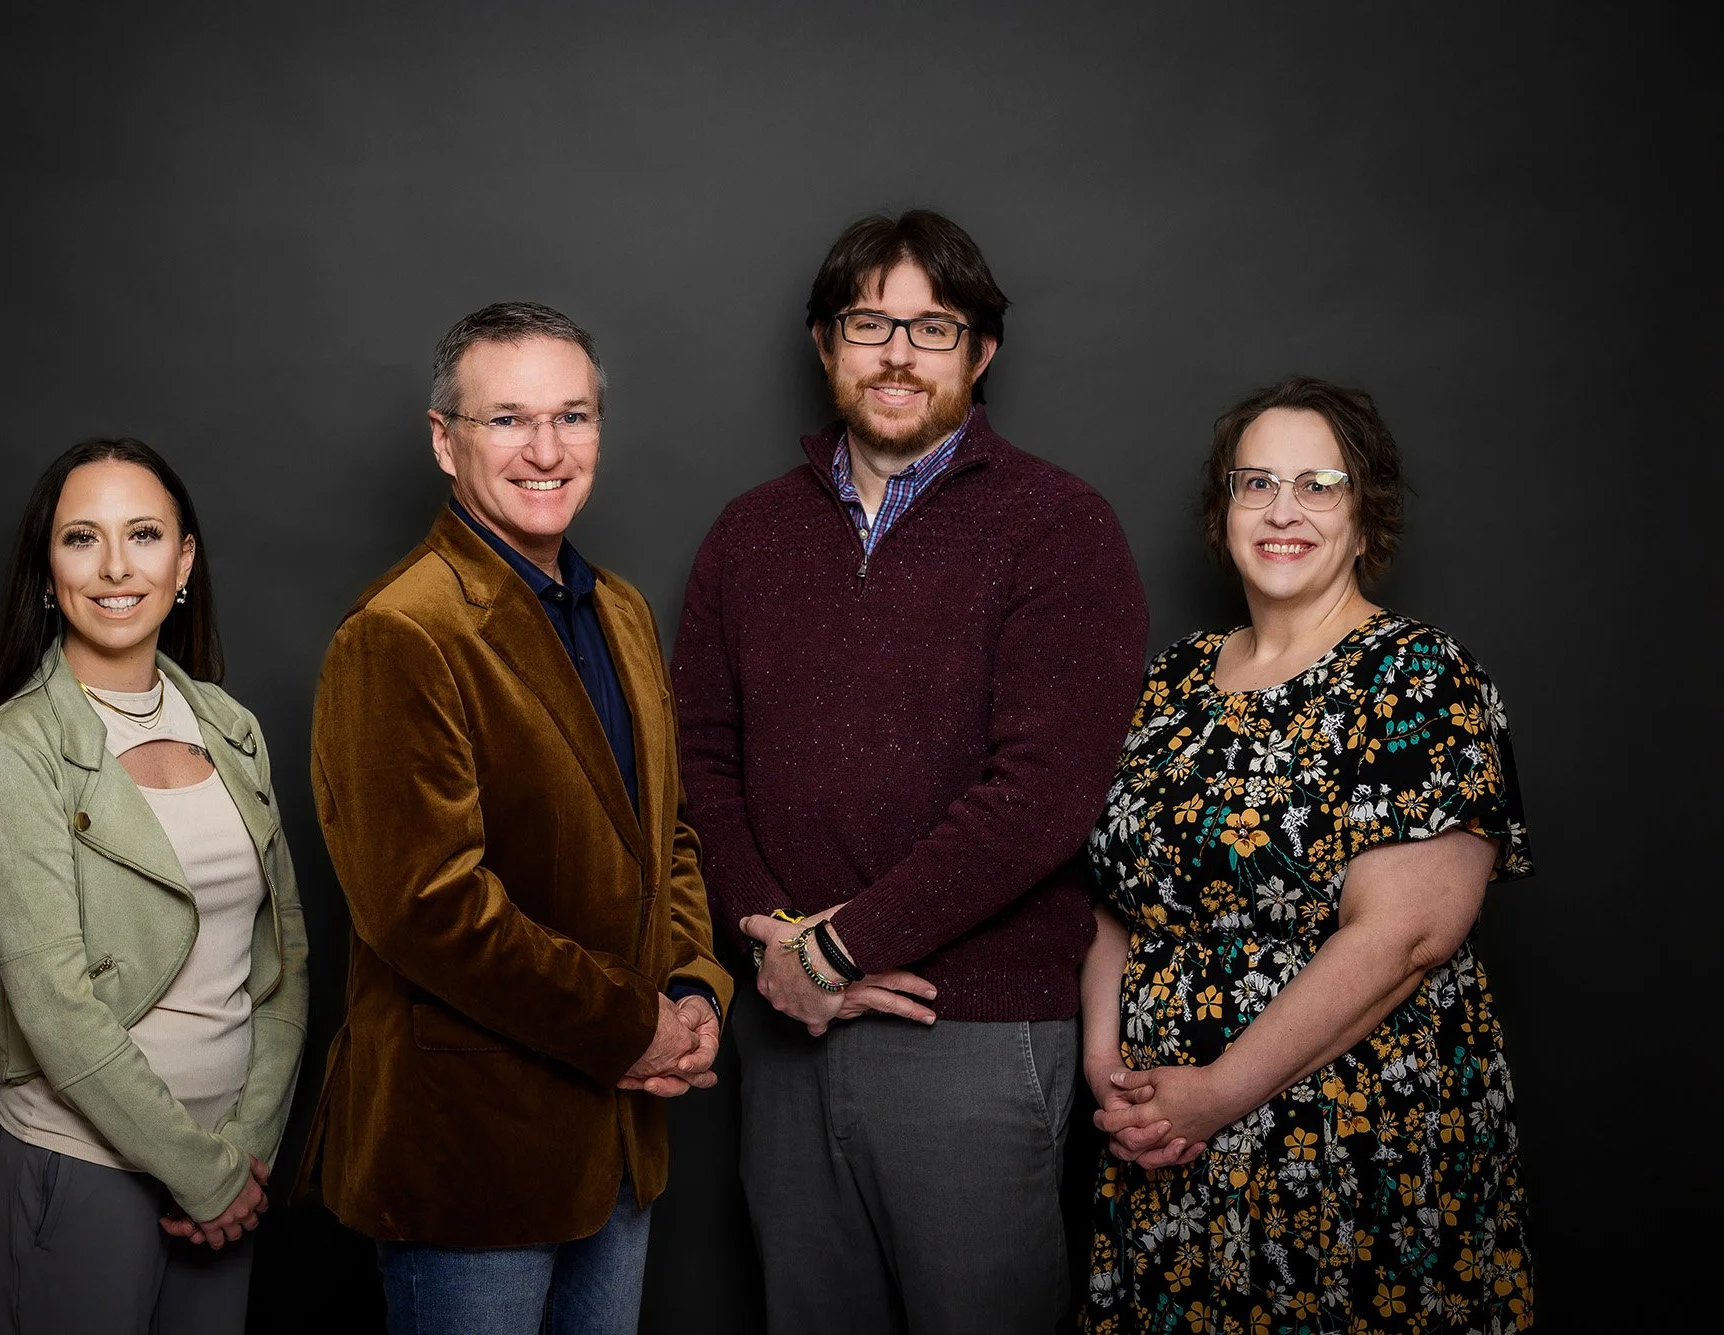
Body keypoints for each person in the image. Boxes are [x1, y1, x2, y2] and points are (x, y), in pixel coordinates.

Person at [672, 210, 1150, 1333]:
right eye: (868, 322)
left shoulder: (1057, 527)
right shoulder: (746, 536)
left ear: (980, 353)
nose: (895, 353)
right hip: (787, 1034)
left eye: (931, 327)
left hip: (971, 1032)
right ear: (822, 344)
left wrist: (838, 947)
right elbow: (702, 758)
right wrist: (772, 944)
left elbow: (1043, 797)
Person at [299, 301, 733, 1335]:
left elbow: (662, 834)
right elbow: (424, 909)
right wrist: (634, 1026)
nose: (546, 451)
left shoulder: (620, 611)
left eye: (571, 417)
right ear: (444, 442)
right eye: (506, 421)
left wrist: (689, 985)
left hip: (617, 1143)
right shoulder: (401, 632)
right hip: (469, 1156)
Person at [1078, 377, 1535, 1333]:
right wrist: (1110, 1072)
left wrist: (1215, 1094)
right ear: (1225, 511)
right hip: (1167, 1158)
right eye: (1257, 484)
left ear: (1366, 516)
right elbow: (1116, 899)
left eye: (1319, 484)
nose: (1284, 510)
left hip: (1347, 1147)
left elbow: (1409, 936)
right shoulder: (1168, 681)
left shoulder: (1417, 676)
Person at [0, 437, 310, 1334]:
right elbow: (52, 1000)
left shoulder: (231, 726)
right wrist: (201, 1173)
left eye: (145, 534)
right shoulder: (15, 747)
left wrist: (245, 1149)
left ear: (183, 560)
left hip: (232, 1168)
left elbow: (283, 962)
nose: (116, 566)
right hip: (82, 1167)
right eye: (82, 539)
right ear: (47, 569)